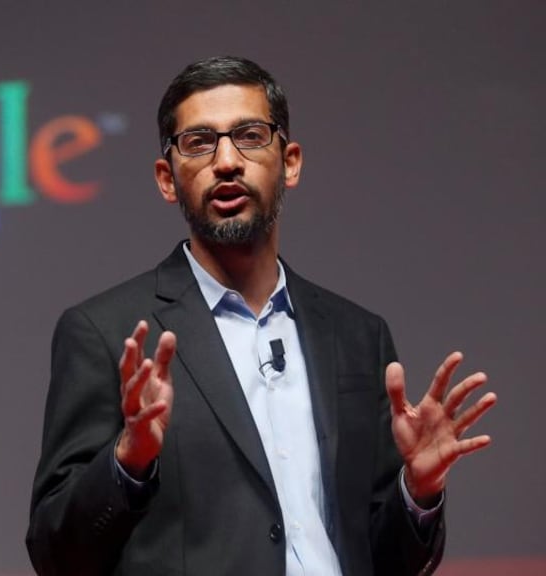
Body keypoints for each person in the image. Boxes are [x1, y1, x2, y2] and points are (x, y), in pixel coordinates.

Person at [25, 56, 497, 576]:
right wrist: (128, 459)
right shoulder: (106, 333)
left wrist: (419, 492)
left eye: (250, 135)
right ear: (166, 178)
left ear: (290, 162)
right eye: (199, 143)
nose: (226, 161)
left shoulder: (358, 336)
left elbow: (387, 560)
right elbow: (56, 553)